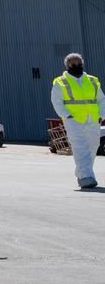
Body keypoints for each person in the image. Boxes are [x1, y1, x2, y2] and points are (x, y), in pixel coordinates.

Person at [50, 52, 103, 189]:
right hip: (73, 120)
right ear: (68, 65)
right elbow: (57, 101)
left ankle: (81, 172)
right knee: (80, 147)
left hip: (92, 119)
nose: (77, 66)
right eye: (74, 64)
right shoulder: (60, 82)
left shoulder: (92, 80)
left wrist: (102, 115)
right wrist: (67, 116)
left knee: (93, 146)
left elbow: (101, 99)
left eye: (79, 64)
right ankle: (86, 177)